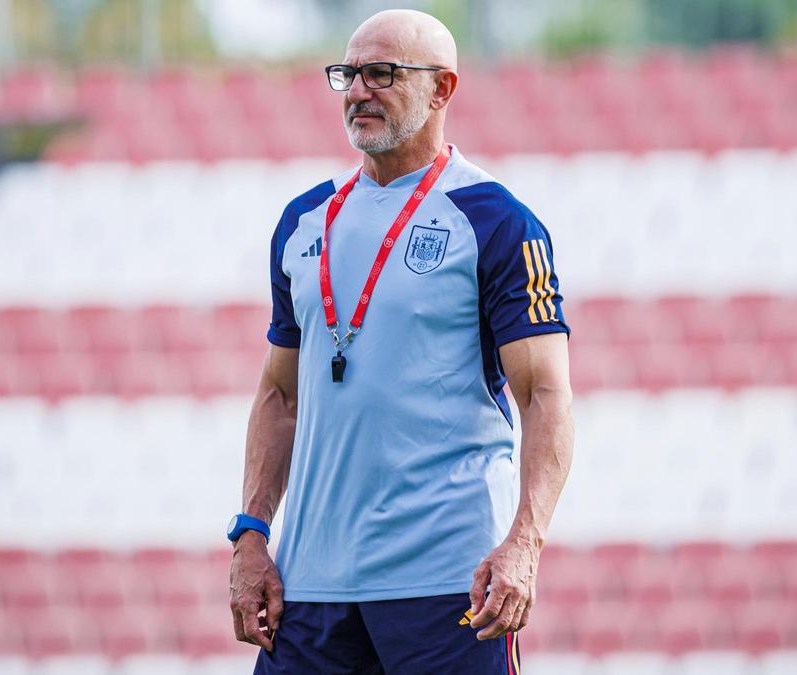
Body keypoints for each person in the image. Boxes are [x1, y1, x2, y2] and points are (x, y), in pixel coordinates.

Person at [226, 8, 575, 674]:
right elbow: (279, 393)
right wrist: (250, 535)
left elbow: (546, 394)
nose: (358, 91)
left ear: (442, 88)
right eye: (348, 74)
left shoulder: (496, 220)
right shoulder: (303, 221)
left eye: (381, 73)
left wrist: (524, 545)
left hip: (449, 584)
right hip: (312, 585)